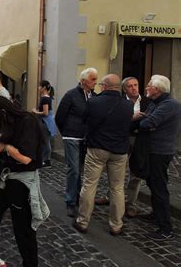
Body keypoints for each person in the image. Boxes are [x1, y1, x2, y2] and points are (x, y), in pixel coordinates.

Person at [0, 96, 49, 267]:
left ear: (2, 112)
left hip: (23, 181)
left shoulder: (27, 122)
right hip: (7, 176)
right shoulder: (7, 122)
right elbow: (4, 140)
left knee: (23, 228)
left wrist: (5, 147)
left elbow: (27, 158)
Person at [73, 74, 133, 236]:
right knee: (117, 188)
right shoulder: (128, 105)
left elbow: (85, 120)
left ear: (104, 86)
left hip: (97, 148)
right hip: (119, 151)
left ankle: (83, 221)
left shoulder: (93, 102)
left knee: (90, 185)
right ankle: (116, 225)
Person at [136, 75, 181, 241]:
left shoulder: (169, 105)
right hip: (153, 150)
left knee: (159, 187)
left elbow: (146, 123)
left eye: (149, 85)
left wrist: (144, 119)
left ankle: (165, 228)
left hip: (160, 152)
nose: (146, 87)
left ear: (157, 89)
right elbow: (148, 120)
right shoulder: (157, 103)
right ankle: (156, 215)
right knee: (153, 184)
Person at [55, 67, 98, 217]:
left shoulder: (94, 96)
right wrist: (67, 133)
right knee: (73, 169)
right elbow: (59, 117)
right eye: (93, 79)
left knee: (81, 170)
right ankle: (70, 201)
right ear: (83, 81)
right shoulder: (71, 95)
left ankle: (80, 197)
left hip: (86, 139)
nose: (95, 82)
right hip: (71, 137)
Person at [122, 77, 152, 218]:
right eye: (130, 86)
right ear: (124, 89)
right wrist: (133, 119)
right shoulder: (121, 103)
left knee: (136, 174)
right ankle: (113, 198)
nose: (134, 88)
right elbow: (119, 123)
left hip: (140, 140)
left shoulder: (147, 102)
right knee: (117, 171)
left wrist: (135, 122)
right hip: (123, 138)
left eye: (136, 85)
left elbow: (148, 121)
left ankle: (131, 204)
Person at [32, 80, 57, 168]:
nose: (38, 88)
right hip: (45, 122)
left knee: (46, 141)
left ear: (44, 88)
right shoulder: (46, 98)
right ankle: (42, 160)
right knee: (44, 141)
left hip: (45, 122)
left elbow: (45, 112)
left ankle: (47, 160)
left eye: (40, 86)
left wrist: (35, 112)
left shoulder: (45, 98)